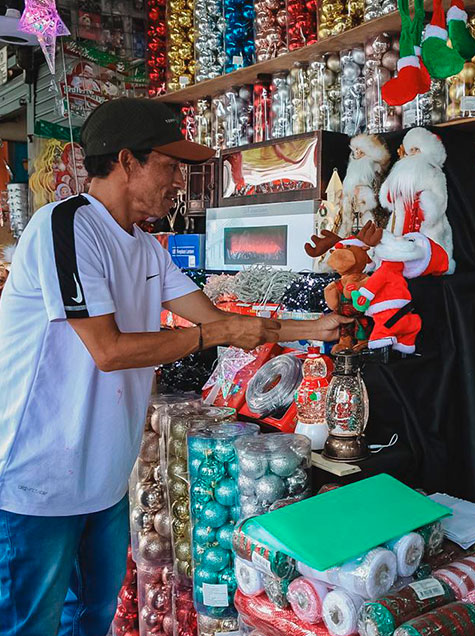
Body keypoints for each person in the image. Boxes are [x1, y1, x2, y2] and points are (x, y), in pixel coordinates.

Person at [0, 98, 349, 636]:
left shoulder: (146, 248)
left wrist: (317, 329)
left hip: (104, 481)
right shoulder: (65, 226)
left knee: (90, 617)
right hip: (39, 479)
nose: (179, 181)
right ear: (127, 161)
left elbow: (221, 320)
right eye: (170, 164)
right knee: (32, 622)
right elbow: (109, 350)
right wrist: (210, 335)